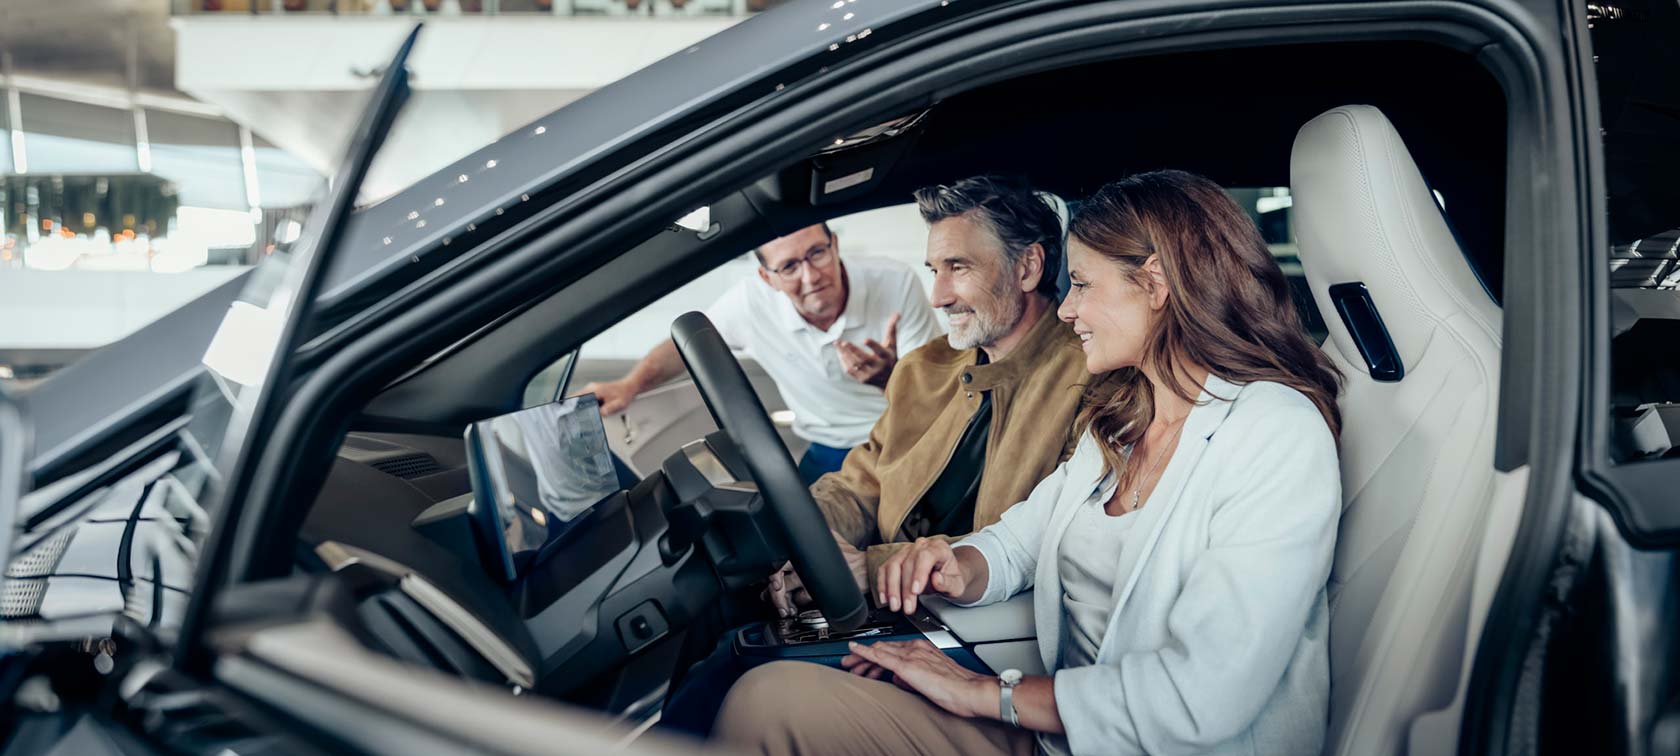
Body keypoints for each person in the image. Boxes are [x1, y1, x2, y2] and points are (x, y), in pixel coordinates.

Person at [714, 169, 1346, 756]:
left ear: (1154, 283)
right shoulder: (1125, 420)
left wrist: (986, 695)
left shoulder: (1273, 430)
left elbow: (1202, 692)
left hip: (1138, 738)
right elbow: (1018, 541)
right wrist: (952, 563)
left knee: (761, 701)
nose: (1068, 309)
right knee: (764, 699)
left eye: (1082, 283)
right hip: (1059, 732)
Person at [661, 176, 1106, 736]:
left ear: (1028, 268)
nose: (939, 295)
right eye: (934, 271)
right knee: (720, 611)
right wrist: (808, 541)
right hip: (895, 606)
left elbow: (1038, 545)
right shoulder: (925, 368)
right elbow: (858, 484)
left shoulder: (1089, 377)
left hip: (976, 632)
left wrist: (865, 571)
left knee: (735, 665)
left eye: (958, 268)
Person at [583, 222, 941, 483]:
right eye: (789, 266)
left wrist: (889, 377)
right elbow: (687, 346)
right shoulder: (750, 303)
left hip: (904, 438)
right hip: (827, 447)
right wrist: (630, 385)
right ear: (767, 278)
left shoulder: (896, 281)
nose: (811, 275)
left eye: (817, 253)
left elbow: (934, 396)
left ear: (834, 245)